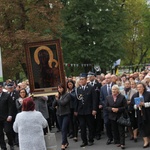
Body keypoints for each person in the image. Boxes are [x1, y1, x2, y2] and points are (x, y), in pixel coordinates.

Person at [74, 73, 97, 147]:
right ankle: (84, 141)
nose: (81, 81)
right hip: (81, 111)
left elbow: (94, 99)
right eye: (80, 79)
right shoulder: (78, 89)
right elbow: (77, 100)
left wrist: (94, 109)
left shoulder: (91, 88)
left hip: (89, 110)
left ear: (86, 80)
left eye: (82, 79)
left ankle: (91, 139)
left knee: (90, 126)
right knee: (82, 126)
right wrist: (76, 110)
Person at [106, 85, 127, 149]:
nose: (114, 91)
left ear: (118, 90)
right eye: (113, 89)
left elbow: (125, 107)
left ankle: (122, 143)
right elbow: (106, 107)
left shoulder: (122, 97)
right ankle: (117, 141)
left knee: (121, 130)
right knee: (115, 130)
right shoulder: (108, 97)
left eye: (115, 89)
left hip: (120, 116)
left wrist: (118, 109)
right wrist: (111, 109)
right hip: (112, 116)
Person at [131, 82, 150, 148]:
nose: (139, 88)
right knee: (142, 127)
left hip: (148, 113)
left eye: (140, 87)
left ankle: (148, 140)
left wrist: (144, 104)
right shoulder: (135, 95)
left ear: (143, 87)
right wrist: (136, 105)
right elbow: (132, 105)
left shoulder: (148, 94)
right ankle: (145, 142)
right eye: (138, 87)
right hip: (139, 114)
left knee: (148, 126)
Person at [53, 83, 71, 150]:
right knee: (62, 129)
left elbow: (63, 103)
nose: (59, 89)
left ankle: (63, 143)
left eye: (60, 88)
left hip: (66, 113)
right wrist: (56, 99)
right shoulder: (58, 96)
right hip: (59, 114)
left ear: (63, 88)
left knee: (64, 128)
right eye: (58, 88)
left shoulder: (67, 95)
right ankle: (66, 142)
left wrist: (58, 99)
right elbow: (53, 105)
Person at [99, 74, 114, 145]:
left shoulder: (114, 86)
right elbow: (101, 98)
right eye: (106, 78)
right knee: (107, 123)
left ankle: (116, 137)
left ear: (111, 78)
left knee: (114, 124)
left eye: (108, 78)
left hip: (114, 108)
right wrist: (106, 105)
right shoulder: (103, 88)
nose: (107, 79)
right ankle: (110, 138)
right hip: (106, 109)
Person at [88, 71, 102, 140]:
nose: (90, 78)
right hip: (90, 105)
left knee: (98, 119)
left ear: (94, 76)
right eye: (89, 76)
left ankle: (98, 133)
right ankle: (92, 133)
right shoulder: (88, 85)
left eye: (91, 76)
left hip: (97, 104)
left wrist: (100, 103)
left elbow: (100, 95)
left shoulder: (98, 84)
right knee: (91, 120)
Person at [0, 83, 14, 150]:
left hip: (6, 117)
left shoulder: (7, 96)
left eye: (0, 87)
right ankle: (3, 147)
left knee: (8, 131)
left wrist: (10, 115)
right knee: (0, 134)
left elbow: (10, 106)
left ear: (1, 88)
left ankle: (11, 143)